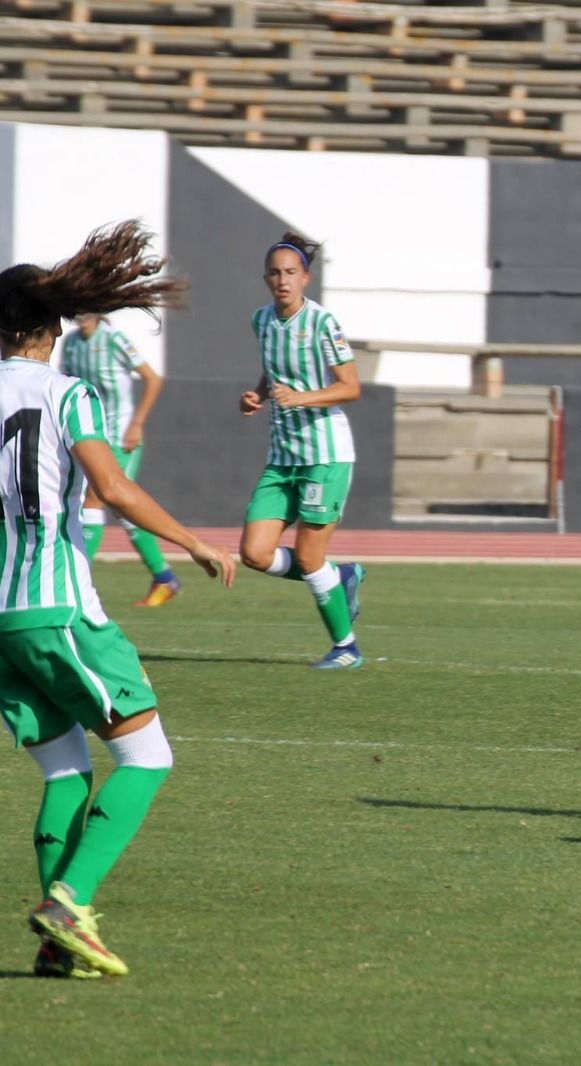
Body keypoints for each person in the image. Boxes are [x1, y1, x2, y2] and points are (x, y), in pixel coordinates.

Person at [0, 222, 236, 977]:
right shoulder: (67, 393)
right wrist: (193, 542)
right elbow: (112, 487)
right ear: (48, 330)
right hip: (58, 608)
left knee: (65, 769)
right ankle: (69, 899)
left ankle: (53, 944)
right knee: (146, 752)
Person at [237, 232, 366, 669]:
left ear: (305, 278)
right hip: (282, 457)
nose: (282, 280)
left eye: (291, 272)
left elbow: (351, 387)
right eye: (275, 273)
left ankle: (346, 647)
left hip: (324, 456)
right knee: (254, 552)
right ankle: (339, 577)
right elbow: (273, 374)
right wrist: (258, 395)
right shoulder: (261, 320)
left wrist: (300, 397)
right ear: (266, 279)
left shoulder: (323, 324)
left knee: (310, 557)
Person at [59, 312, 182, 606]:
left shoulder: (114, 339)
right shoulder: (72, 343)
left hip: (119, 436)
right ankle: (164, 578)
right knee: (124, 510)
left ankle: (77, 580)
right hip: (88, 437)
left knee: (95, 501)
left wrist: (137, 423)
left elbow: (153, 378)